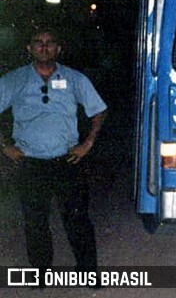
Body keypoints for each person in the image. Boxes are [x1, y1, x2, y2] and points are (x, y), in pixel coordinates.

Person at [0, 26, 107, 274]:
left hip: (67, 160)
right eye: (38, 42)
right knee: (35, 221)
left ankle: (88, 272)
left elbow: (99, 110)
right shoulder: (14, 80)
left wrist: (88, 142)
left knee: (77, 219)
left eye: (50, 42)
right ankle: (40, 272)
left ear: (58, 48)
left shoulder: (74, 79)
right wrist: (5, 146)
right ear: (29, 48)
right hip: (30, 162)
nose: (44, 46)